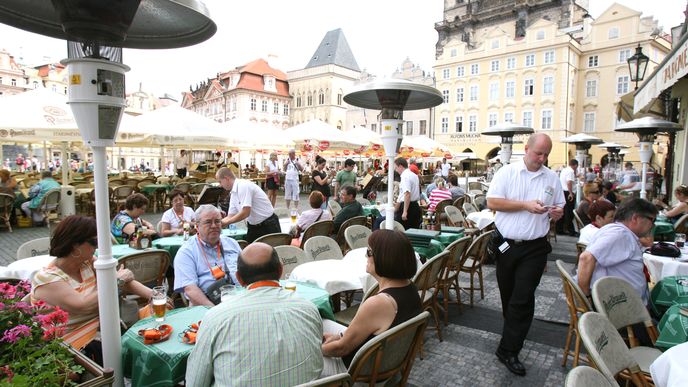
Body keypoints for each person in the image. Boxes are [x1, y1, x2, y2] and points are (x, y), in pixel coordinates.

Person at [186, 242, 323, 385]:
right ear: (280, 270)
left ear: (239, 278)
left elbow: (195, 382)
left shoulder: (216, 318)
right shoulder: (309, 309)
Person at [486, 133, 565, 376]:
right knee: (509, 295)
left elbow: (559, 206)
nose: (542, 158)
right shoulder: (507, 173)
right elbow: (492, 203)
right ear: (526, 148)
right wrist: (524, 205)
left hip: (535, 247)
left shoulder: (552, 178)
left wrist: (557, 214)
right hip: (506, 245)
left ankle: (508, 349)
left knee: (522, 295)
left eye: (546, 154)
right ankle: (515, 330)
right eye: (538, 153)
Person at [31, 215, 157, 352]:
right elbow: (82, 305)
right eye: (94, 242)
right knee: (142, 347)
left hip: (104, 330)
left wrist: (154, 295)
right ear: (75, 245)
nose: (97, 246)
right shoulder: (47, 278)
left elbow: (125, 282)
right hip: (71, 346)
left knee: (159, 323)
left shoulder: (87, 262)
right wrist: (117, 280)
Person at [320, 230, 421, 376]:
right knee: (322, 322)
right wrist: (339, 336)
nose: (365, 256)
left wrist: (317, 350)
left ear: (384, 258)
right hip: (381, 366)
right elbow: (358, 333)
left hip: (355, 373)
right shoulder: (410, 288)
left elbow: (341, 349)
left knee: (302, 357)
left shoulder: (379, 303)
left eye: (369, 251)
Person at [577, 198, 657, 304]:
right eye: (652, 220)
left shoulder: (619, 232)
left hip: (624, 304)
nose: (653, 225)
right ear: (635, 218)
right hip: (623, 311)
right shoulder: (620, 234)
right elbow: (586, 258)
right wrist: (586, 298)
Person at [174, 204, 241, 306]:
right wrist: (214, 312)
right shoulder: (186, 252)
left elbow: (247, 272)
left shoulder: (231, 243)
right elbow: (190, 290)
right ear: (197, 226)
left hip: (240, 299)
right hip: (209, 305)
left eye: (217, 221)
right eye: (208, 222)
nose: (214, 225)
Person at [216, 167, 280, 243]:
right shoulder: (233, 193)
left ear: (226, 178)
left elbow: (245, 212)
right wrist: (217, 223)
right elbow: (230, 216)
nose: (220, 185)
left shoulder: (243, 185)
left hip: (268, 224)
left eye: (220, 182)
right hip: (254, 226)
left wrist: (225, 223)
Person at [394, 157, 421, 229]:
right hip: (415, 205)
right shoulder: (414, 175)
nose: (396, 170)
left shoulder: (405, 176)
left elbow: (407, 194)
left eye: (396, 168)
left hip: (408, 207)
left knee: (401, 230)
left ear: (400, 166)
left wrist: (405, 211)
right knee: (414, 231)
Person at [556, 159, 578, 236]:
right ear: (575, 165)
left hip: (563, 191)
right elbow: (569, 182)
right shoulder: (571, 171)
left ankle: (559, 229)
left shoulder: (564, 170)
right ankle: (570, 230)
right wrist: (571, 193)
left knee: (563, 210)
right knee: (569, 212)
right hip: (568, 192)